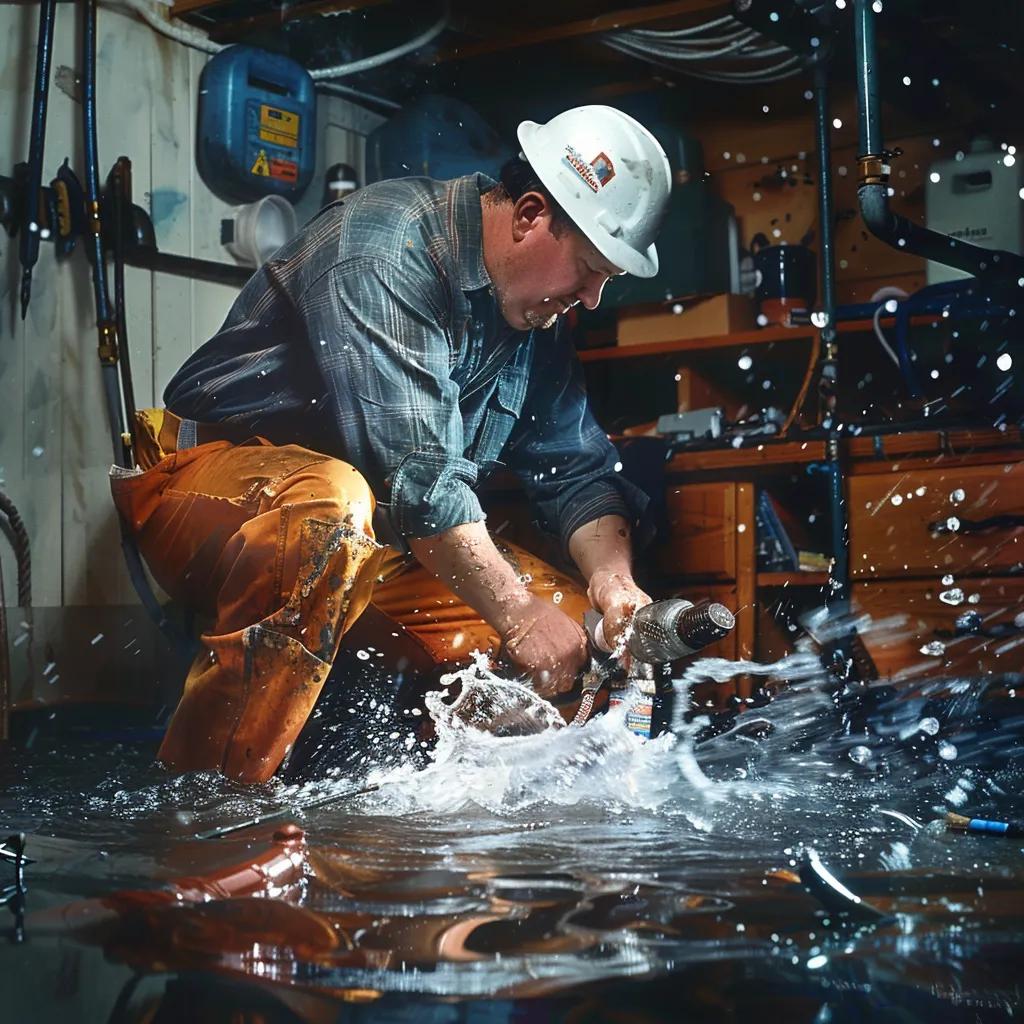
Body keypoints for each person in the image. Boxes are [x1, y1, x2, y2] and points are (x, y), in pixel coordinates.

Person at [110, 105, 672, 783]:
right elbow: (422, 484)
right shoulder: (388, 243)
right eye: (588, 269)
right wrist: (520, 617)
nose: (589, 299)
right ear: (528, 215)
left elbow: (579, 473)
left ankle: (449, 815)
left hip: (376, 532)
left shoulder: (535, 321)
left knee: (576, 634)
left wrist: (614, 583)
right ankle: (212, 813)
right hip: (212, 489)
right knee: (328, 512)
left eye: (605, 281)